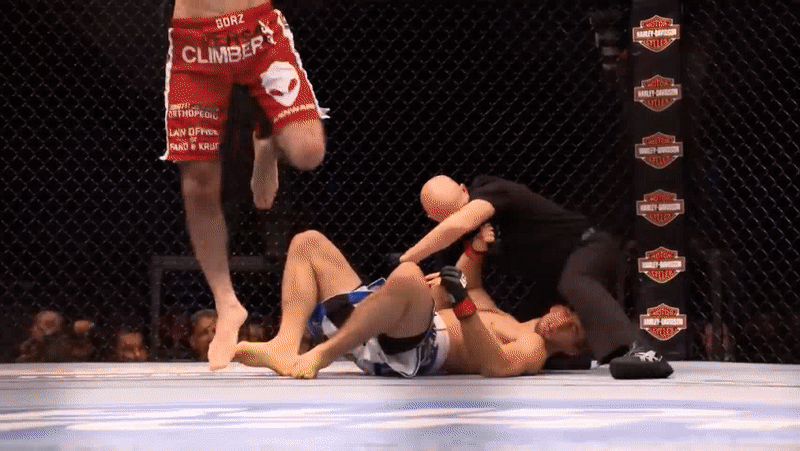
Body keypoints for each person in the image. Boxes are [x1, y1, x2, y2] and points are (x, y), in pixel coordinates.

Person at [163, 0, 328, 370]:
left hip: (257, 33)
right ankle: (227, 303)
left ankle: (265, 140)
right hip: (196, 44)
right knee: (198, 184)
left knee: (308, 151)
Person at [399, 174, 674, 379]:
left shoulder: (490, 190)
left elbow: (460, 223)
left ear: (464, 189)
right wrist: (475, 250)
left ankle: (643, 350)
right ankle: (592, 355)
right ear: (434, 219)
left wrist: (408, 259)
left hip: (591, 245)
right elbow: (468, 281)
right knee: (545, 324)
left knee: (574, 282)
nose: (458, 220)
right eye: (446, 218)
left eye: (460, 208)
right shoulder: (480, 235)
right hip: (557, 272)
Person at [234, 226, 589, 378]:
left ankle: (323, 354)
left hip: (412, 350)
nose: (563, 322)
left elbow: (497, 365)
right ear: (557, 306)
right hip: (382, 324)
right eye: (568, 314)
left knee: (407, 275)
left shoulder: (533, 347)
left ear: (572, 350)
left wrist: (463, 305)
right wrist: (477, 247)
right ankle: (285, 345)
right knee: (307, 242)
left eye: (573, 331)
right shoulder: (500, 315)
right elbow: (470, 279)